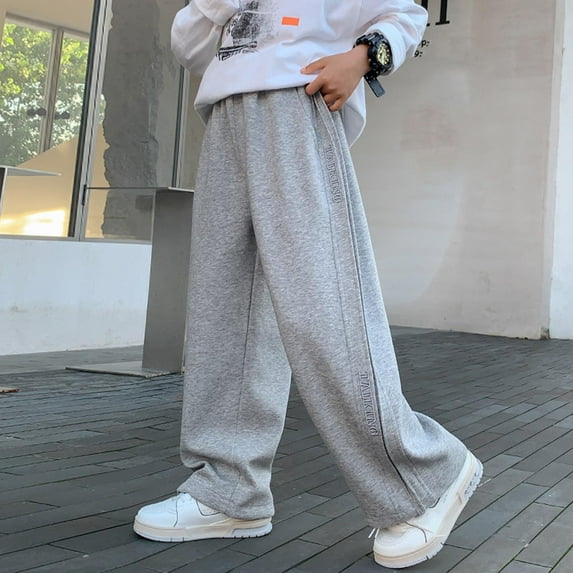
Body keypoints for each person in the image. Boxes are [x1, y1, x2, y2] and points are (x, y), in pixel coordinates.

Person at [133, 1, 482, 568]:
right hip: (226, 113)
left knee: (322, 306)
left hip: (296, 102)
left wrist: (362, 59)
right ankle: (229, 490)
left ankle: (424, 477)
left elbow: (403, 13)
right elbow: (189, 44)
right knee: (223, 312)